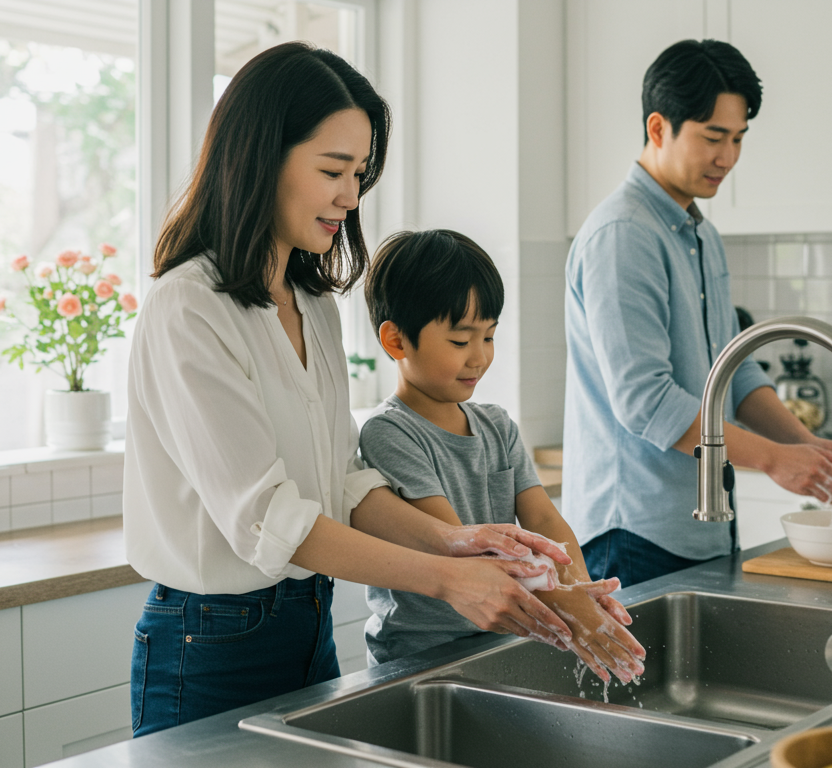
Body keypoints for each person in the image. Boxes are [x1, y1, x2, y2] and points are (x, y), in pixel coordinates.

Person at [122, 42, 573, 738]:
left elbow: (343, 485)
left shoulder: (313, 301)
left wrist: (455, 542)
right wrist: (447, 579)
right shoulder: (188, 309)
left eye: (359, 173)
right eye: (333, 170)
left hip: (310, 627)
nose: (350, 196)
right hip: (207, 644)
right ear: (260, 158)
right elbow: (271, 519)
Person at [563, 39, 832, 588]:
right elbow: (645, 400)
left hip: (700, 525)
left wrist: (803, 445)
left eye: (738, 138)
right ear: (658, 129)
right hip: (631, 532)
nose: (727, 157)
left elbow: (735, 369)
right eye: (713, 137)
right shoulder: (623, 235)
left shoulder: (700, 233)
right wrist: (773, 460)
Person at [358, 230, 646, 682]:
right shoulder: (391, 432)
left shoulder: (497, 425)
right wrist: (562, 603)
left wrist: (580, 592)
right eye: (459, 341)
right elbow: (459, 548)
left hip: (500, 636)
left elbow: (546, 523)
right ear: (396, 341)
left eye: (488, 337)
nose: (480, 357)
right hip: (419, 654)